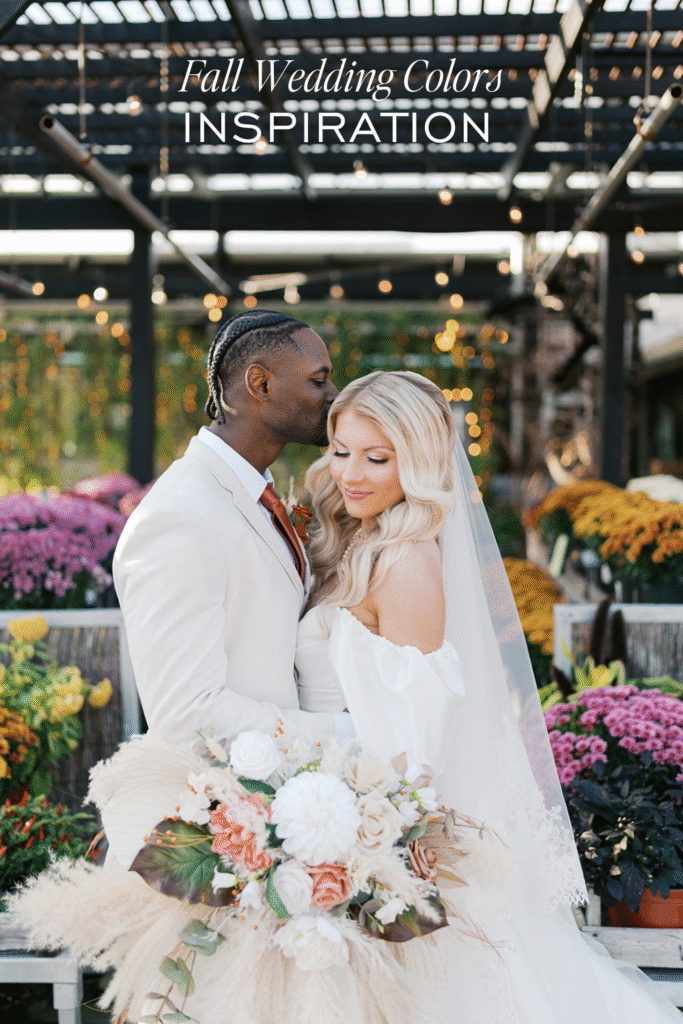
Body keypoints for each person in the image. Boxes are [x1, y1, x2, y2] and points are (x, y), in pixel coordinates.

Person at [10, 371, 682, 1024]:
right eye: (340, 451)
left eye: (376, 457)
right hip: (313, 802)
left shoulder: (409, 560)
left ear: (415, 463)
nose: (351, 473)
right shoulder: (352, 537)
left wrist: (307, 795)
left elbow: (413, 747)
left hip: (358, 818)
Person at [113, 309, 353, 752]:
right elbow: (189, 715)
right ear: (260, 384)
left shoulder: (252, 494)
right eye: (318, 381)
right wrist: (342, 735)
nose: (334, 396)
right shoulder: (181, 518)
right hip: (226, 806)